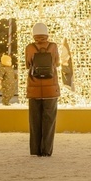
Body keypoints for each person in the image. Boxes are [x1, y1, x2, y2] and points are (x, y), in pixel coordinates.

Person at [26, 22, 60, 156]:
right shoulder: (53, 46)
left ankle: (35, 151)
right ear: (46, 33)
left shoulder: (30, 47)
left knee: (34, 121)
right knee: (49, 121)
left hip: (33, 89)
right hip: (51, 90)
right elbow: (56, 63)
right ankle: (46, 151)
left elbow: (28, 65)